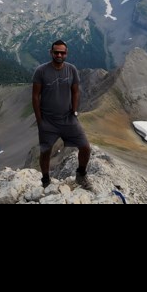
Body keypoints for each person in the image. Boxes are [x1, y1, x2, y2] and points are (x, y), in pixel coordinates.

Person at [32, 39, 91, 188]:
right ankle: (45, 181)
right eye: (56, 52)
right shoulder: (41, 71)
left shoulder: (71, 70)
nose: (59, 55)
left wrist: (75, 111)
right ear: (51, 53)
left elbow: (75, 91)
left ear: (66, 53)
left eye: (62, 52)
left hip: (68, 119)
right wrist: (40, 121)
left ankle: (81, 174)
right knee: (45, 152)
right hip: (48, 121)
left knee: (85, 147)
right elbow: (35, 96)